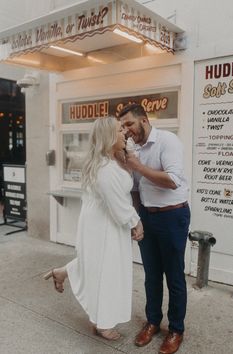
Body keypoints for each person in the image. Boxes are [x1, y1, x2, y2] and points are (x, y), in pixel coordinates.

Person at [44, 116, 143, 341]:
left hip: (103, 221)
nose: (124, 133)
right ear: (108, 137)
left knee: (99, 265)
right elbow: (118, 206)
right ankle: (102, 323)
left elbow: (120, 196)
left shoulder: (112, 159)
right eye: (119, 130)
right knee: (107, 272)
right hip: (104, 225)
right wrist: (136, 221)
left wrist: (129, 157)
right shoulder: (105, 168)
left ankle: (63, 272)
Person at [119, 103, 190, 354]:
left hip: (173, 216)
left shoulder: (167, 141)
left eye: (129, 124)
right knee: (151, 275)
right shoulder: (133, 149)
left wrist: (137, 166)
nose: (126, 130)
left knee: (174, 276)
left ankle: (176, 329)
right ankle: (152, 322)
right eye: (123, 127)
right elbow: (137, 190)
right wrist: (137, 219)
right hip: (147, 217)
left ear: (144, 120)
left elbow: (172, 180)